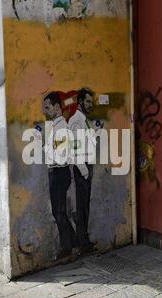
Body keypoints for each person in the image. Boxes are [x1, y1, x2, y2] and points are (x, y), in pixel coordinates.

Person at [42, 92, 77, 259]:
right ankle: (74, 242)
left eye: (47, 106)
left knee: (59, 212)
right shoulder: (56, 126)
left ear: (57, 107)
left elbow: (61, 155)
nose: (45, 110)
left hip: (59, 172)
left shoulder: (61, 128)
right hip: (57, 172)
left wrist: (45, 149)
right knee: (59, 212)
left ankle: (67, 248)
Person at [68, 88, 97, 254]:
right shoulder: (76, 121)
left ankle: (84, 241)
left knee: (85, 205)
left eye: (91, 102)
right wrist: (84, 169)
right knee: (81, 206)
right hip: (82, 168)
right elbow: (74, 148)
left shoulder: (84, 120)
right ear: (79, 102)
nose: (90, 105)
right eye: (87, 101)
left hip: (87, 166)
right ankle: (82, 243)